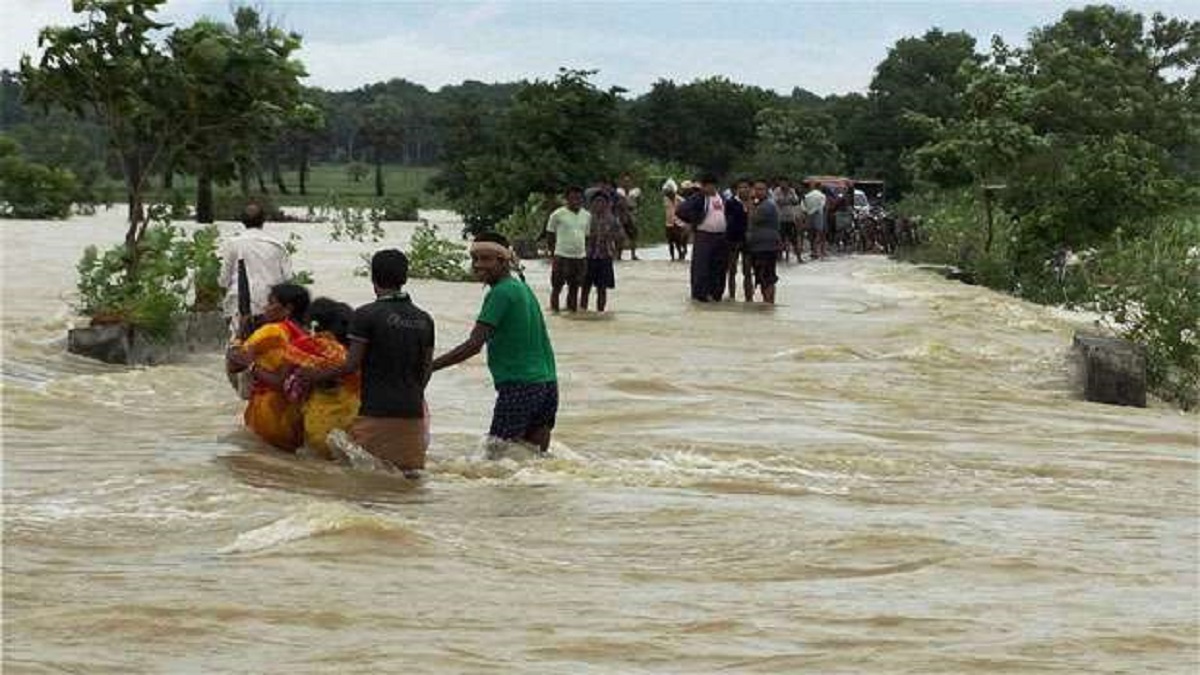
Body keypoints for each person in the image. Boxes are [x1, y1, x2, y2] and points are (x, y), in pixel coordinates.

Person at [300, 250, 435, 475]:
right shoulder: (425, 319)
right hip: (412, 416)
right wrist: (410, 394)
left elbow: (352, 364)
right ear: (405, 278)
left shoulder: (366, 315)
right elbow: (426, 369)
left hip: (376, 412)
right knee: (408, 483)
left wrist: (314, 376)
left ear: (373, 278)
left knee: (366, 485)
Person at [432, 232, 558, 455]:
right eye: (475, 259)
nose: (479, 265)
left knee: (496, 458)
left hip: (519, 386)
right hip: (547, 385)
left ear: (503, 261)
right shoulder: (522, 289)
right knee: (534, 461)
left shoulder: (500, 293)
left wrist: (430, 367)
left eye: (486, 259)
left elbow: (474, 345)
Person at [225, 283, 310, 451]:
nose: (265, 307)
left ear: (288, 309)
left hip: (269, 412)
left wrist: (239, 338)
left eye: (271, 303)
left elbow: (234, 364)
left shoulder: (271, 332)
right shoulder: (307, 333)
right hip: (299, 416)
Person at [283, 298, 360, 459]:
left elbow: (288, 385)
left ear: (313, 324)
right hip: (354, 419)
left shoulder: (309, 347)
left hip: (320, 421)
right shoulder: (356, 352)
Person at [218, 202, 293, 328]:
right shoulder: (277, 246)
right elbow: (288, 279)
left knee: (239, 342)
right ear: (264, 220)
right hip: (271, 306)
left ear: (242, 221)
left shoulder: (233, 244)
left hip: (239, 305)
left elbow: (223, 280)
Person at [545, 186, 591, 313]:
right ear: (567, 199)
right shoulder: (557, 214)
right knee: (557, 287)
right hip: (561, 255)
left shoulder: (587, 215)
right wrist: (552, 253)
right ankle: (555, 311)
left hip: (579, 257)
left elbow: (586, 236)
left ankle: (572, 314)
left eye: (579, 198)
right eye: (573, 198)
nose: (576, 201)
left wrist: (585, 252)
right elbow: (550, 234)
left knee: (575, 287)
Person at [689, 174, 730, 302]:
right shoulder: (698, 198)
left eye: (711, 185)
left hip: (721, 237)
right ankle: (700, 294)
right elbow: (681, 210)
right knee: (701, 266)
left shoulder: (722, 198)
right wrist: (695, 221)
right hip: (704, 236)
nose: (708, 188)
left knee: (719, 266)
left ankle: (716, 293)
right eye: (705, 185)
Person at [581, 192, 623, 312]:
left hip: (605, 257)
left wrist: (616, 251)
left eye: (602, 202)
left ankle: (600, 312)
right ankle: (583, 310)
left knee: (602, 288)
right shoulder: (587, 218)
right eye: (597, 202)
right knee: (585, 287)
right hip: (588, 257)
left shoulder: (612, 220)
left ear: (607, 204)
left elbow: (620, 236)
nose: (599, 204)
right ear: (592, 204)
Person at [747, 179, 782, 303]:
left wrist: (750, 202)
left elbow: (752, 218)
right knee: (763, 278)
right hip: (760, 246)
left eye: (761, 189)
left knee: (767, 277)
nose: (757, 192)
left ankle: (768, 303)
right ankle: (767, 305)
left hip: (766, 247)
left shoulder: (767, 206)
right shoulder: (763, 204)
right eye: (756, 189)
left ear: (767, 191)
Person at [724, 178, 753, 302]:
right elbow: (728, 222)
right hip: (733, 240)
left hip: (749, 241)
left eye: (746, 187)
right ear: (736, 190)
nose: (744, 189)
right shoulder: (730, 203)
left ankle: (749, 298)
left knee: (748, 271)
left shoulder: (754, 203)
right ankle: (731, 297)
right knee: (732, 270)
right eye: (741, 187)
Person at [773, 178, 801, 262]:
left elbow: (796, 201)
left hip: (790, 218)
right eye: (782, 182)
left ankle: (799, 257)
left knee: (794, 239)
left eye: (785, 183)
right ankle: (779, 257)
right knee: (779, 239)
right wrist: (788, 201)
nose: (783, 184)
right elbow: (777, 201)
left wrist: (787, 200)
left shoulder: (792, 191)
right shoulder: (777, 191)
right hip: (780, 219)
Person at [615, 173, 642, 260]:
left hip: (631, 212)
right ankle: (619, 254)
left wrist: (636, 210)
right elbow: (616, 202)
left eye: (628, 181)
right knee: (620, 234)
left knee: (633, 234)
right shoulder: (618, 191)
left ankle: (633, 254)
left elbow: (639, 202)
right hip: (621, 213)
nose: (626, 183)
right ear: (622, 182)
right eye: (625, 181)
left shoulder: (636, 191)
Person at [663, 179, 689, 261]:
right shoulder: (665, 199)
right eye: (667, 192)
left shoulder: (681, 200)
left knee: (680, 241)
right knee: (670, 242)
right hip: (669, 223)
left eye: (669, 192)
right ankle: (672, 257)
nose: (668, 194)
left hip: (679, 223)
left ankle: (682, 252)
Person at [802, 182, 828, 260]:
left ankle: (813, 251)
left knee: (811, 234)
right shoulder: (822, 196)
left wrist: (807, 212)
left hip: (809, 215)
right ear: (820, 187)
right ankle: (819, 251)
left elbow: (803, 206)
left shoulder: (807, 196)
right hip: (818, 215)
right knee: (819, 233)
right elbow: (822, 206)